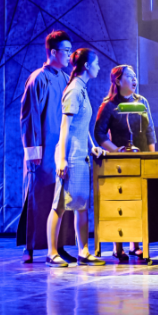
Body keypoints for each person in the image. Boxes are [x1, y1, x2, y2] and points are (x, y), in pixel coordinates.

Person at [17, 30, 76, 264]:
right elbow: (29, 117)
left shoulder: (65, 79)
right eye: (66, 51)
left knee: (60, 197)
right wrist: (33, 152)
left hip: (60, 149)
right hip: (42, 150)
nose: (69, 55)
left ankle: (59, 245)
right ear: (53, 52)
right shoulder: (38, 79)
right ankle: (30, 247)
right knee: (38, 196)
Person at [46, 48, 105, 268]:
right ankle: (52, 253)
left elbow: (82, 125)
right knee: (59, 205)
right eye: (96, 63)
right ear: (87, 66)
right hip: (70, 156)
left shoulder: (82, 89)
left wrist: (93, 147)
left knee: (82, 206)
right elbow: (65, 127)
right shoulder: (73, 90)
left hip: (81, 156)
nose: (99, 67)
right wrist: (62, 159)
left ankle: (84, 252)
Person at [95, 64, 156, 262]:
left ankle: (135, 245)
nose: (134, 80)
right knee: (121, 202)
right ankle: (117, 247)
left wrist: (152, 156)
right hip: (119, 162)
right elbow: (99, 133)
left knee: (139, 201)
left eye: (135, 76)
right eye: (130, 76)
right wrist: (115, 150)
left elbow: (150, 130)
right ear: (118, 81)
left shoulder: (142, 102)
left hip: (141, 158)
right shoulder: (109, 105)